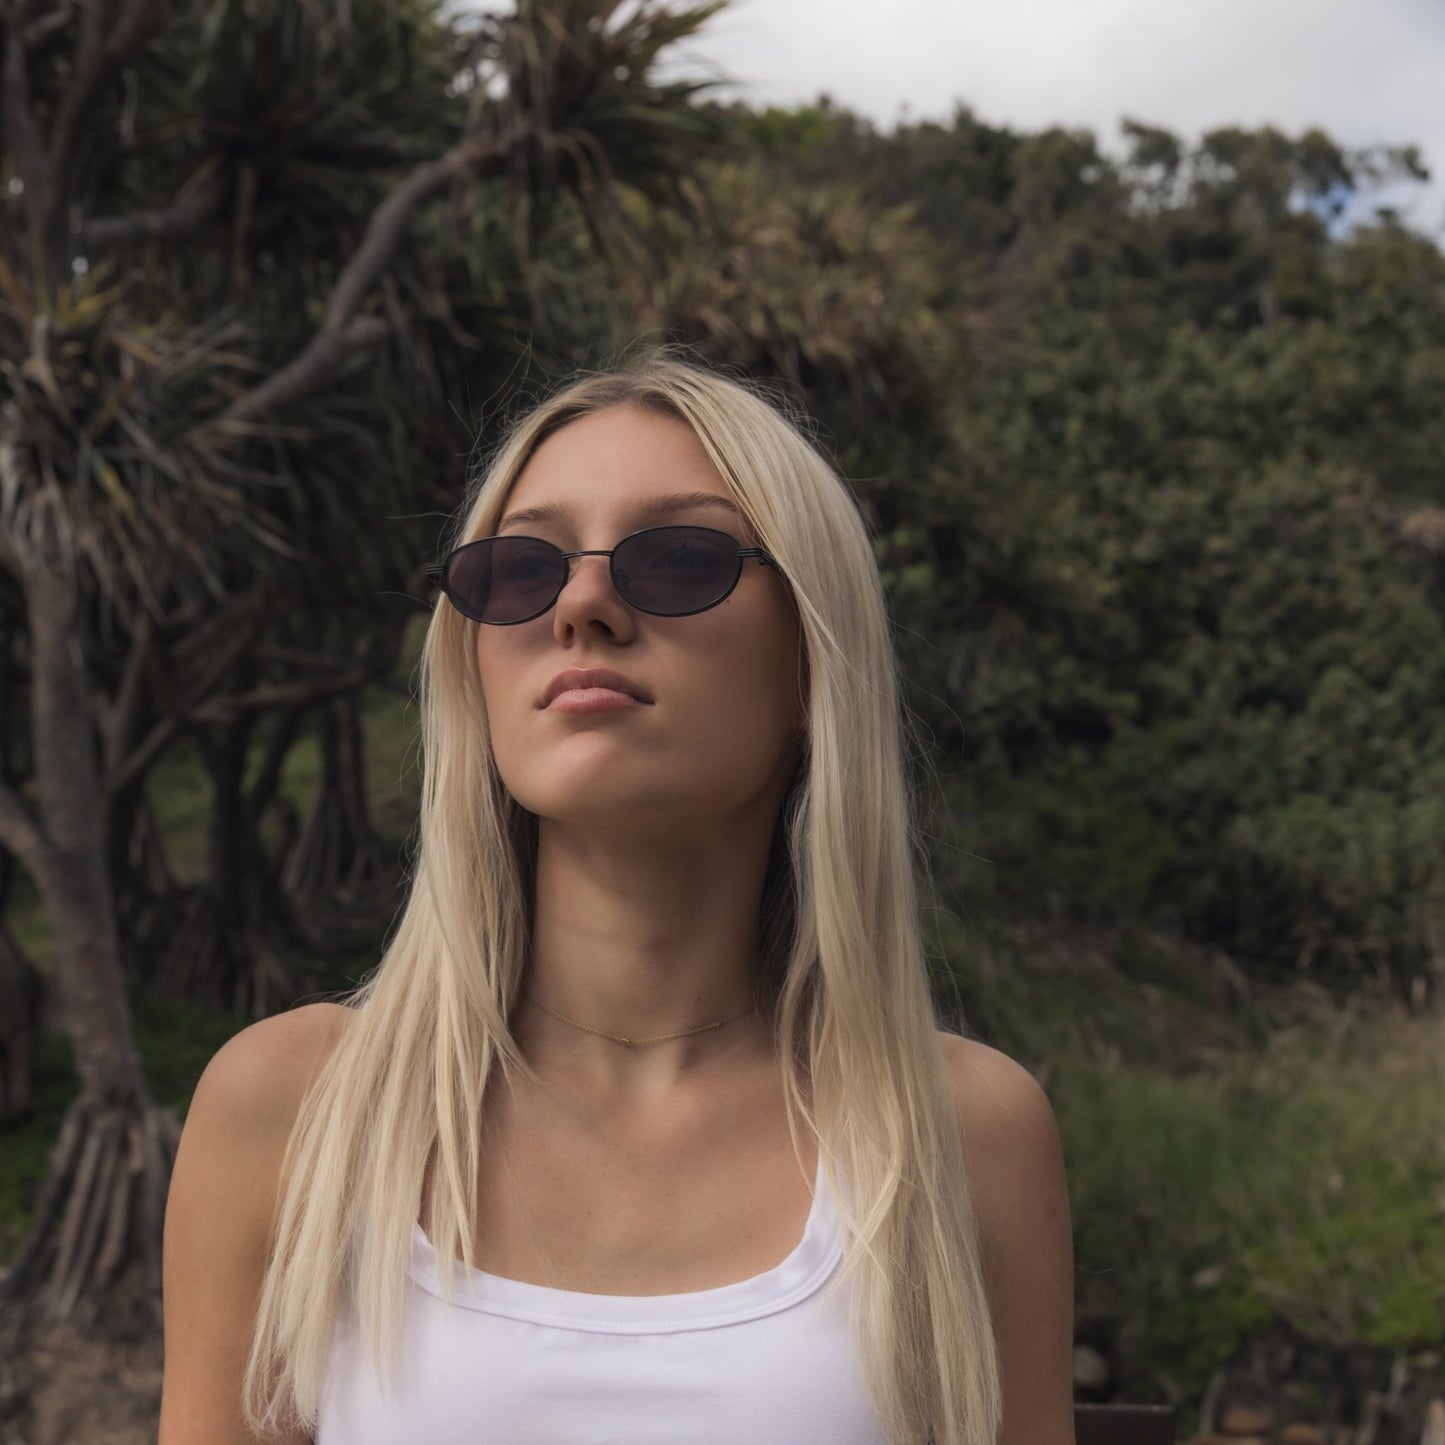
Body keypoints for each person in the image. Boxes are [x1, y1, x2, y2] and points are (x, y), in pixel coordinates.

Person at [157, 357, 1074, 1445]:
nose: (582, 604)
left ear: (810, 661)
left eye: (679, 557)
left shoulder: (960, 1133)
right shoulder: (297, 1108)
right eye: (520, 569)